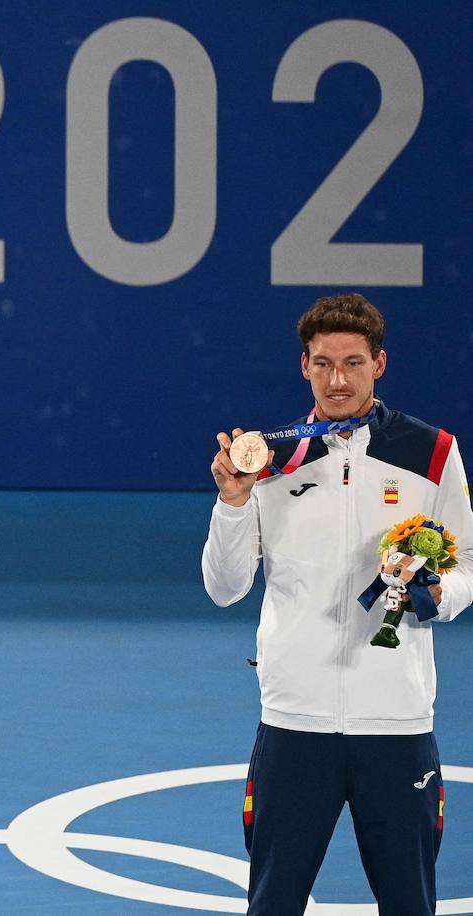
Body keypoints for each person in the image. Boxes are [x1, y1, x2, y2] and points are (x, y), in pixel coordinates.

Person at [203, 293, 472, 914]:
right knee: (274, 903)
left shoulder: (433, 453)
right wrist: (233, 503)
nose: (338, 379)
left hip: (397, 720)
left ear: (380, 363)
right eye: (323, 364)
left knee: (410, 904)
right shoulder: (268, 459)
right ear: (304, 367)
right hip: (297, 721)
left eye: (353, 362)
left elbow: (467, 563)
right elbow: (225, 587)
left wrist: (440, 596)